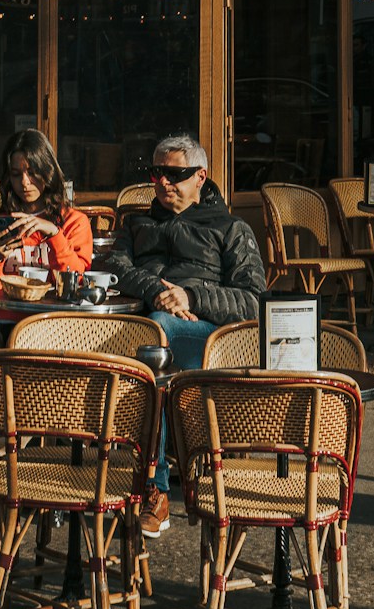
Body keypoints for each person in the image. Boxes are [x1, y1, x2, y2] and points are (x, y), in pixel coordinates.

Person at [108, 133, 264, 536]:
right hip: (144, 329)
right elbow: (116, 267)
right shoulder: (137, 222)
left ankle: (153, 490)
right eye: (157, 173)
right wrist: (160, 291)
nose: (162, 183)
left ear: (201, 176)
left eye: (174, 174)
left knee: (157, 337)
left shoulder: (230, 227)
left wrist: (192, 294)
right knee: (143, 339)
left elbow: (253, 300)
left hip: (208, 339)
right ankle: (81, 466)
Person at [0, 130, 94, 315]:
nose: (25, 182)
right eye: (16, 174)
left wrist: (55, 235)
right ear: (8, 178)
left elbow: (78, 288)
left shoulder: (74, 223)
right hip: (2, 323)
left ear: (47, 171)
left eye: (32, 173)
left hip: (55, 325)